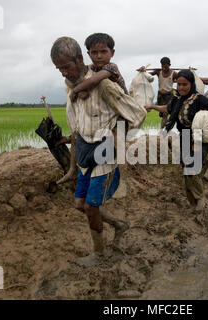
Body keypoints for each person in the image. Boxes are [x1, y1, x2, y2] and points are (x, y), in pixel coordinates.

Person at [50, 36, 146, 266]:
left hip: (104, 153)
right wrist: (69, 138)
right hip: (85, 154)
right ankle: (119, 225)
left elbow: (138, 114)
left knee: (91, 207)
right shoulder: (71, 90)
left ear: (80, 59)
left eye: (67, 66)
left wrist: (117, 135)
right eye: (59, 69)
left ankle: (100, 254)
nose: (63, 72)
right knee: (79, 205)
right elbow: (78, 122)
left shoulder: (103, 85)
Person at [145, 70, 208, 213]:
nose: (181, 87)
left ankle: (200, 197)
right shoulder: (177, 99)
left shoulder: (200, 99)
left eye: (185, 84)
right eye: (179, 84)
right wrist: (152, 106)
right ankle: (193, 201)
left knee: (191, 167)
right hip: (184, 136)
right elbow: (167, 109)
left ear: (191, 84)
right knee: (186, 169)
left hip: (199, 138)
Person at [66, 33, 128, 103]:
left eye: (103, 51)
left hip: (123, 104)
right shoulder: (92, 68)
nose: (99, 56)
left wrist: (75, 90)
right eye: (94, 52)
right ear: (89, 54)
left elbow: (93, 81)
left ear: (112, 53)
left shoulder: (112, 67)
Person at [139, 57, 178, 128]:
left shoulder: (174, 73)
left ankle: (162, 130)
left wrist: (175, 81)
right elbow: (149, 75)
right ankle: (165, 128)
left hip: (169, 95)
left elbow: (180, 80)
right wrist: (143, 71)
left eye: (165, 67)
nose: (164, 68)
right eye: (162, 66)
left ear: (169, 65)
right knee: (163, 113)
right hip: (161, 96)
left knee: (166, 113)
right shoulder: (158, 72)